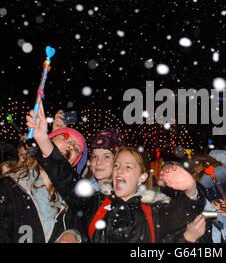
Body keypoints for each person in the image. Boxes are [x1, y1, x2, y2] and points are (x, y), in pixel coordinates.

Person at [26, 100, 206, 243]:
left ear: (142, 177)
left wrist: (190, 188)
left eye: (128, 167)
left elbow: (185, 209)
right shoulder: (95, 204)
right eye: (117, 165)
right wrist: (43, 139)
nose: (119, 170)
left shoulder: (155, 211)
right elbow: (65, 177)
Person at [0, 124, 88, 243]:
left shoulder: (71, 202)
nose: (71, 146)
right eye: (66, 138)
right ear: (46, 143)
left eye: (77, 148)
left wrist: (73, 234)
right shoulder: (9, 186)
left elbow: (83, 228)